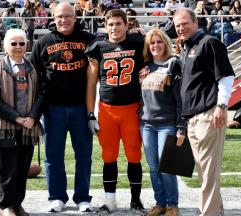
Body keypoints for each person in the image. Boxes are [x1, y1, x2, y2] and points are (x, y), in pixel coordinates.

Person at [29, 2, 96, 213]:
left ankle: (83, 198)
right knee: (53, 156)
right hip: (53, 109)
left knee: (84, 156)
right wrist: (35, 110)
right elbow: (33, 76)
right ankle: (56, 197)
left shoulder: (89, 40)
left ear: (75, 17)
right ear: (53, 17)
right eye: (60, 17)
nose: (64, 20)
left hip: (80, 108)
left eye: (68, 16)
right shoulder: (43, 42)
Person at [173, 8, 235, 216]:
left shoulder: (209, 42)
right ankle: (216, 210)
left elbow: (226, 76)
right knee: (203, 170)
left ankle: (207, 213)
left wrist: (222, 105)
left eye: (184, 24)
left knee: (208, 170)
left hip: (208, 114)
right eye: (177, 25)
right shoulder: (186, 47)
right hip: (192, 117)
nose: (181, 28)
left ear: (196, 22)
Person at [85, 9, 146, 214]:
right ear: (105, 26)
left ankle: (135, 201)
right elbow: (91, 84)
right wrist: (91, 114)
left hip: (131, 109)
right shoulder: (98, 47)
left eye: (118, 23)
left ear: (126, 25)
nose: (114, 28)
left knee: (134, 156)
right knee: (109, 156)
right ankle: (110, 201)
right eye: (110, 24)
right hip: (107, 110)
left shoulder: (138, 43)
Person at [0, 28, 45, 216]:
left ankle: (17, 204)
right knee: (6, 170)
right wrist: (17, 117)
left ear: (27, 45)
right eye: (13, 43)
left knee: (21, 169)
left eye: (21, 43)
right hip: (4, 129)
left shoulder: (33, 69)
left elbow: (41, 95)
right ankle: (6, 206)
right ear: (5, 46)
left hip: (28, 128)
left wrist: (33, 117)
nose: (18, 46)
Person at [139, 28, 186, 216]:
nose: (155, 46)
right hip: (146, 125)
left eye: (159, 42)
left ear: (165, 44)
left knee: (167, 167)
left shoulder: (173, 66)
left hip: (167, 123)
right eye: (152, 43)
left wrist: (181, 126)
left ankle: (172, 204)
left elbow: (180, 100)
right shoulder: (144, 69)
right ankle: (160, 202)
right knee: (152, 167)